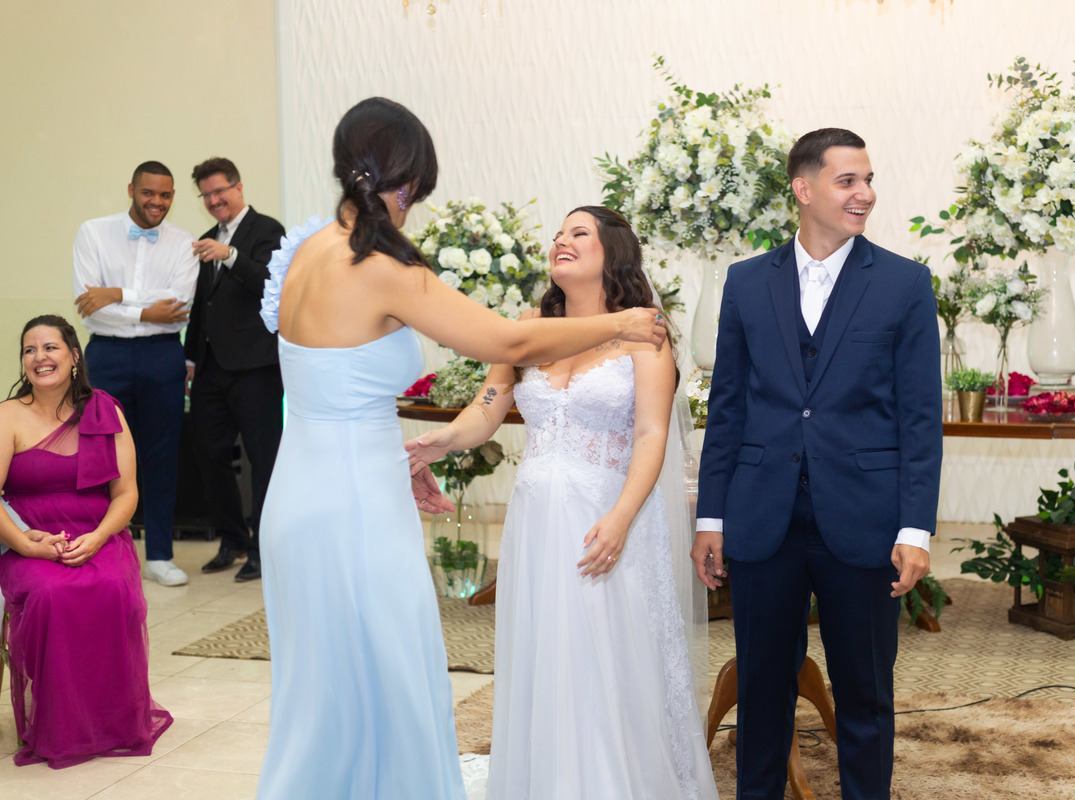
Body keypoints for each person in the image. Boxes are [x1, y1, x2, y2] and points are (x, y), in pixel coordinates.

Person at [255, 98, 667, 800]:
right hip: (354, 500)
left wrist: (409, 453)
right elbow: (506, 341)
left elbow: (332, 386)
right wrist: (624, 322)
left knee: (323, 693)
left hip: (299, 490)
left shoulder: (307, 254)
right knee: (395, 681)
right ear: (407, 181)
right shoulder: (382, 264)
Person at [407, 206, 718, 800]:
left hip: (606, 515)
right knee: (546, 650)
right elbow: (488, 406)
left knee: (607, 656)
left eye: (579, 233)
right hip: (536, 521)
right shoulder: (530, 327)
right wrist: (444, 439)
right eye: (557, 235)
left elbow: (652, 433)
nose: (561, 242)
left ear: (613, 252)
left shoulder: (642, 331)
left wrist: (621, 517)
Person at [691, 128, 942, 800]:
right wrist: (711, 517)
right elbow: (728, 407)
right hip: (761, 518)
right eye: (847, 180)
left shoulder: (905, 283)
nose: (866, 194)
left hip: (865, 520)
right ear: (803, 189)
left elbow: (920, 417)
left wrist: (914, 528)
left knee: (865, 692)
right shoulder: (747, 282)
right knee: (761, 691)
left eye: (868, 180)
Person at [0, 315, 173, 768]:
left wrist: (97, 539)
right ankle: (59, 724)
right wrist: (26, 545)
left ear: (74, 356)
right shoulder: (8, 415)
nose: (39, 357)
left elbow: (126, 492)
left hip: (96, 531)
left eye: (50, 347)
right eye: (30, 350)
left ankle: (111, 723)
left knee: (112, 587)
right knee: (51, 592)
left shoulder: (105, 411)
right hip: (26, 535)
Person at [73, 161, 200, 587]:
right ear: (131, 189)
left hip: (163, 356)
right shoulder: (93, 232)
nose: (156, 202)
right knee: (100, 455)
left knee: (161, 457)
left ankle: (159, 556)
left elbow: (178, 304)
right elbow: (88, 305)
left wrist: (117, 294)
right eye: (148, 193)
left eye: (165, 195)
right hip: (106, 354)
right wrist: (145, 310)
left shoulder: (184, 243)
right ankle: (100, 551)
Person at [184, 157, 287, 583]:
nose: (213, 200)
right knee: (208, 453)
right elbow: (201, 305)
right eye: (206, 195)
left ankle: (263, 549)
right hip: (210, 367)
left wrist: (230, 256)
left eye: (219, 191)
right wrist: (190, 358)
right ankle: (232, 539)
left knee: (264, 458)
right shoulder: (207, 238)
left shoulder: (268, 230)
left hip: (256, 366)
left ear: (238, 188)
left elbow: (272, 284)